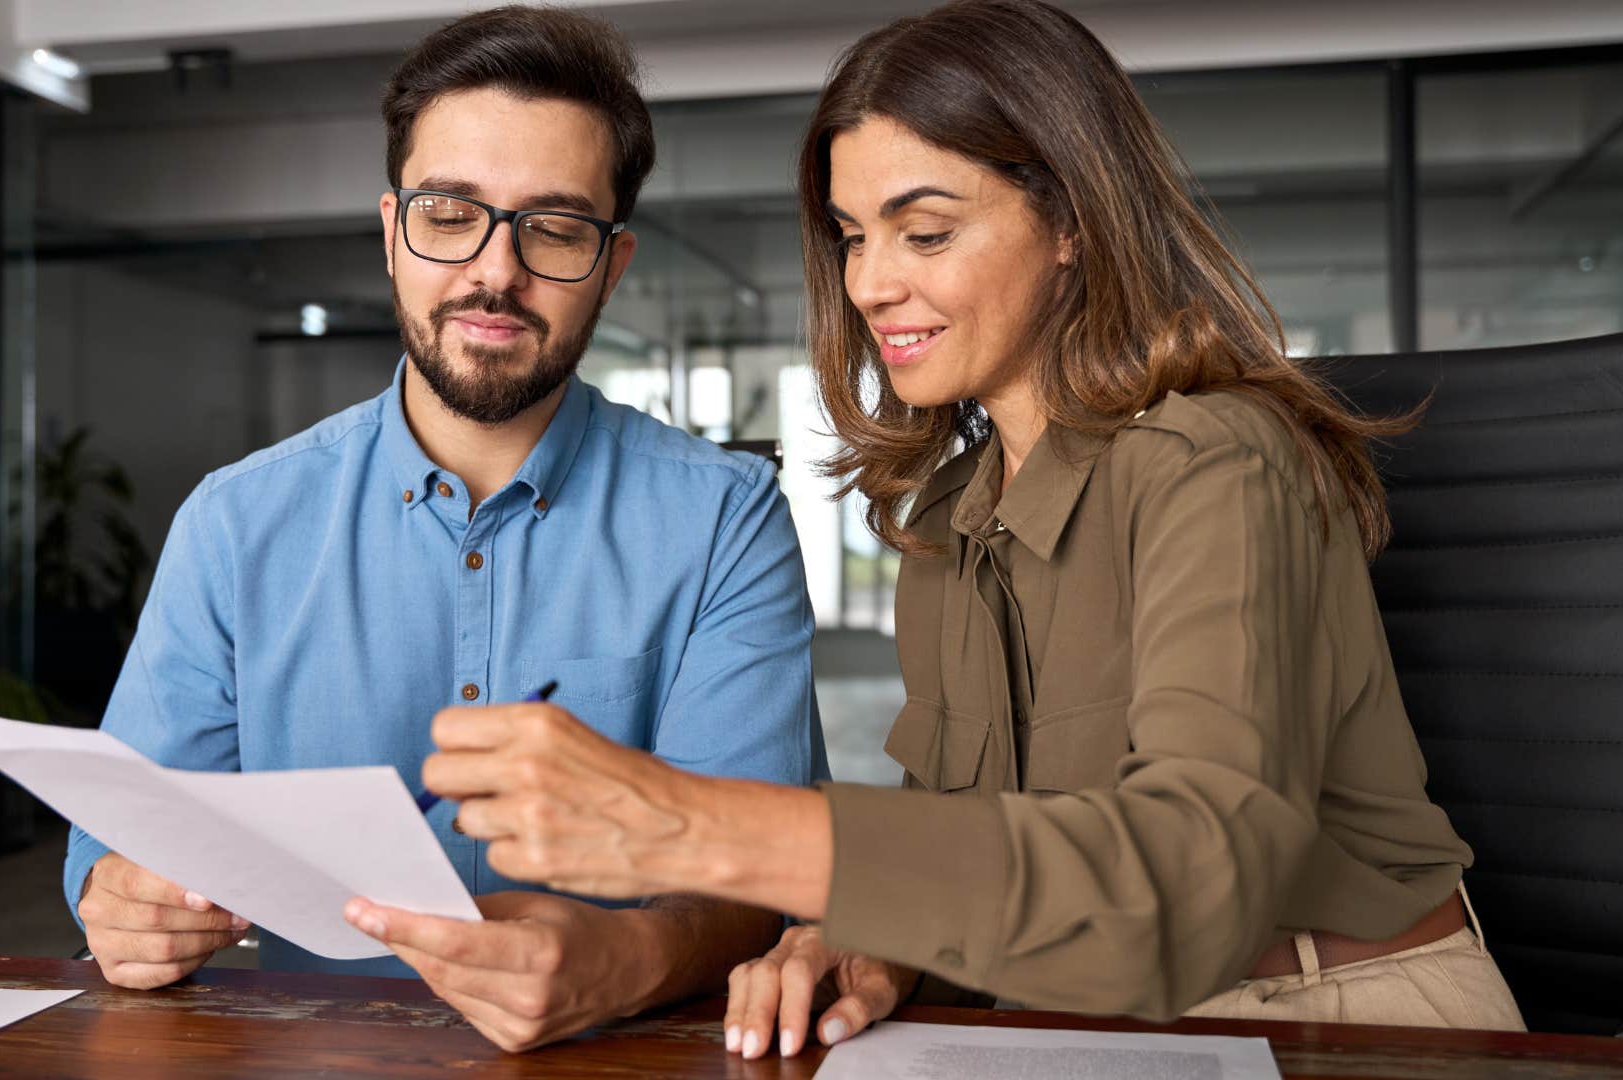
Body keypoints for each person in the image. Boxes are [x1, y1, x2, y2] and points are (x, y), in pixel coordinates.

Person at [416, 0, 1527, 1060]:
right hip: (1087, 1023)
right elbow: (984, 855)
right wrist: (878, 944)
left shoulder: (1222, 463)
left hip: (1337, 1011)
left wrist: (698, 828)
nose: (871, 283)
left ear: (1072, 224)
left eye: (927, 231)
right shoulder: (950, 522)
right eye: (853, 237)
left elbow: (1189, 887)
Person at [62, 5, 827, 1053]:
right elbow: (116, 841)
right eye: (451, 212)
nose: (496, 272)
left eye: (554, 229)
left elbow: (761, 876)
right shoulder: (236, 524)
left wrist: (626, 959)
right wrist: (120, 901)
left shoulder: (723, 522)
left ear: (613, 263)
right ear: (391, 232)